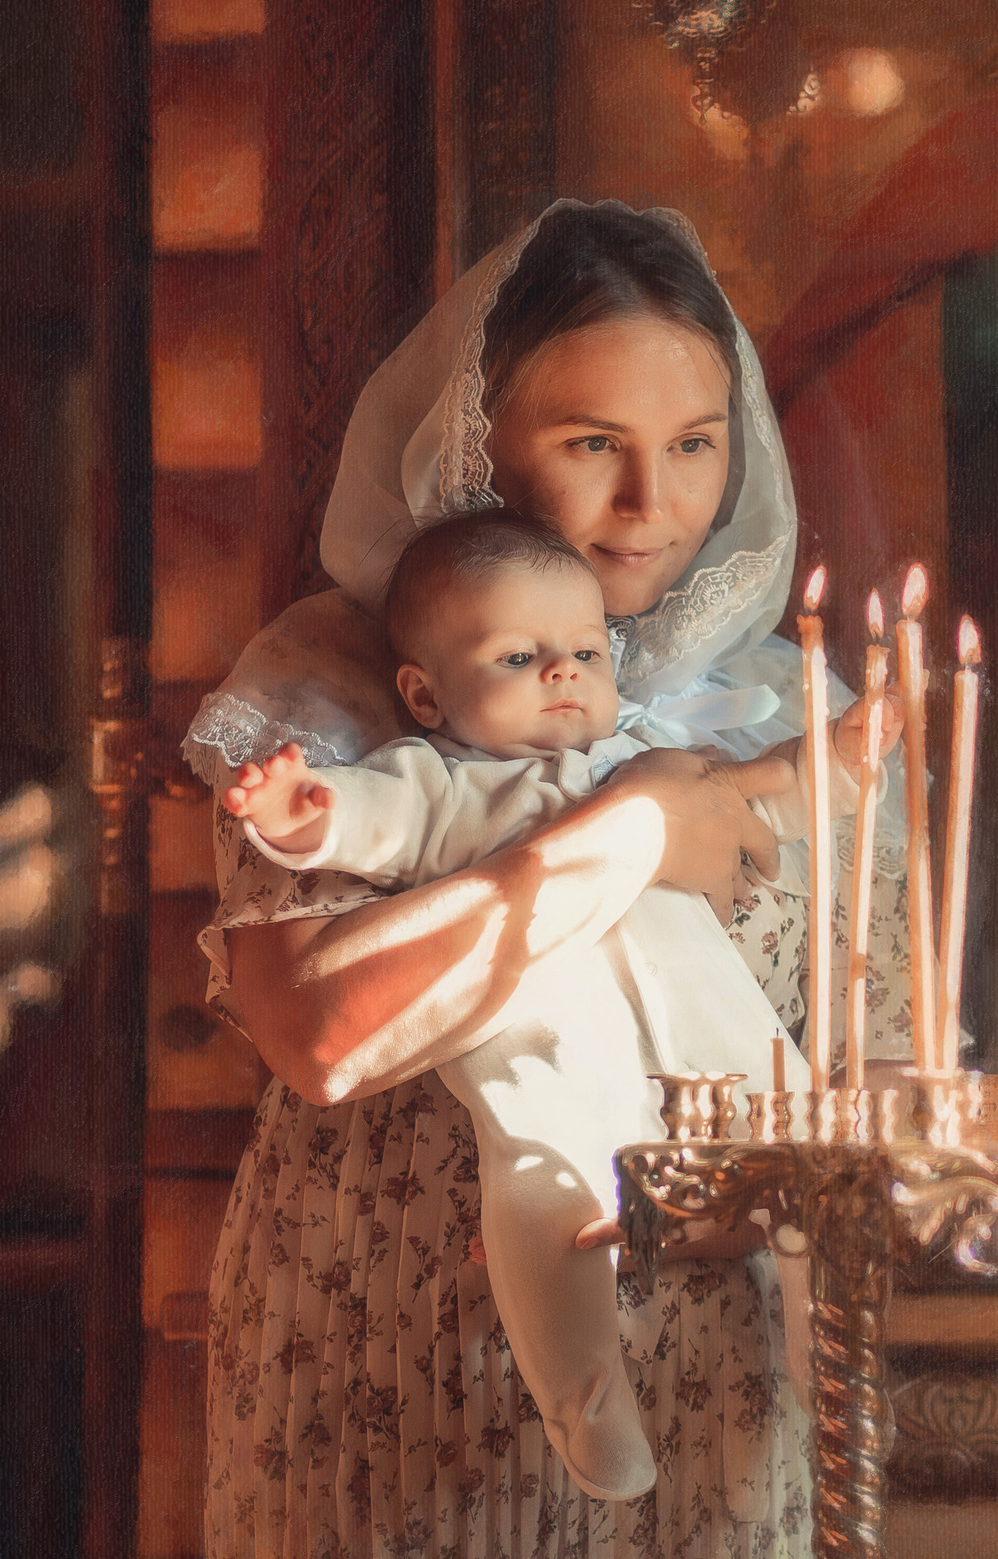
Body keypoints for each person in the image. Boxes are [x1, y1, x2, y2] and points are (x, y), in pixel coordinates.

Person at [182, 200, 915, 1559]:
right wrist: (625, 833)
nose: (652, 503)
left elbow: (881, 1066)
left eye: (694, 443)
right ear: (477, 446)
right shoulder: (328, 694)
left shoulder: (794, 709)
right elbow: (322, 1036)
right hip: (400, 1333)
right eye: (592, 444)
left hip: (724, 1364)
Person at [222, 509, 892, 1507]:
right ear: (426, 693)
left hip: (703, 1006)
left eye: (585, 652)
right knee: (550, 1191)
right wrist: (299, 816)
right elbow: (362, 820)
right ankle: (585, 1402)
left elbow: (772, 796)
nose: (563, 673)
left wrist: (840, 755)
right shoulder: (439, 783)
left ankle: (828, 1348)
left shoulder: (645, 761)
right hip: (546, 1037)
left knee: (806, 1151)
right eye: (518, 656)